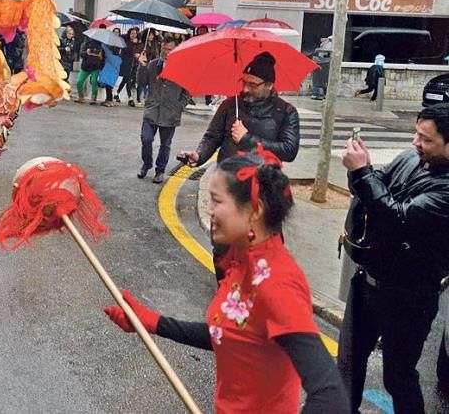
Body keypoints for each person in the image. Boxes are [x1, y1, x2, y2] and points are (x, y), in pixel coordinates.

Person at [104, 149, 349, 412]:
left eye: (216, 201)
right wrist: (155, 323)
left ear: (254, 210)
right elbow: (232, 335)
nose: (209, 210)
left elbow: (331, 397)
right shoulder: (242, 263)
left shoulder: (277, 284)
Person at [337, 103, 449, 413]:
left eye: (426, 139)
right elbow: (369, 189)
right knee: (347, 367)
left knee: (398, 377)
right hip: (368, 282)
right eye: (416, 134)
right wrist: (360, 172)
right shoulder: (409, 158)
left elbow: (397, 219)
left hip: (409, 297)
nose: (416, 143)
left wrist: (363, 173)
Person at [182, 51, 301, 276]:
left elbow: (289, 150)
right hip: (229, 190)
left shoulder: (285, 112)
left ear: (269, 85)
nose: (246, 89)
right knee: (223, 250)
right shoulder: (230, 106)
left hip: (264, 194)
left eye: (253, 84)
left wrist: (248, 140)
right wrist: (198, 155)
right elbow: (212, 137)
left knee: (263, 254)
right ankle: (226, 294)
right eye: (244, 82)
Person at [138, 37, 191, 184]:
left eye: (169, 50)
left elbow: (187, 91)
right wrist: (142, 66)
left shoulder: (182, 67)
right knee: (146, 139)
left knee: (165, 144)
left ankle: (160, 170)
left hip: (170, 112)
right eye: (163, 49)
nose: (165, 52)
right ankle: (146, 163)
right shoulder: (153, 64)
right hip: (152, 110)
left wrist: (180, 106)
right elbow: (141, 82)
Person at [77, 35, 105, 104]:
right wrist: (86, 53)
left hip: (95, 67)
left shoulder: (102, 46)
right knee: (79, 82)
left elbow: (103, 59)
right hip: (85, 67)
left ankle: (93, 97)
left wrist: (101, 57)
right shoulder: (86, 44)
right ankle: (81, 96)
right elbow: (81, 54)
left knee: (93, 81)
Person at [116, 27, 140, 106]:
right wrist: (133, 44)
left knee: (125, 80)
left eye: (135, 33)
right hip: (125, 64)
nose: (134, 35)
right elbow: (128, 51)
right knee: (128, 80)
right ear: (129, 34)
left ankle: (116, 93)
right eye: (132, 33)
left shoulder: (137, 43)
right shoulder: (126, 42)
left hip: (132, 64)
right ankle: (130, 99)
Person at [98, 42, 122, 107]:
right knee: (110, 88)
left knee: (108, 88)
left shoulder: (110, 56)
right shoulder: (119, 59)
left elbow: (105, 50)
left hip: (108, 75)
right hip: (114, 76)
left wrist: (102, 43)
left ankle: (109, 101)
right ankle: (108, 100)